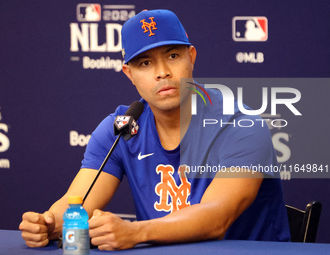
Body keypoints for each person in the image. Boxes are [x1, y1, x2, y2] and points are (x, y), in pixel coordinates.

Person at [19, 9, 290, 251]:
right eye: (145, 63)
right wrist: (49, 224)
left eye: (172, 56)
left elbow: (216, 217)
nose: (162, 72)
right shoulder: (121, 127)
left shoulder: (240, 125)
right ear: (129, 73)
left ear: (191, 56)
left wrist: (135, 232)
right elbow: (75, 202)